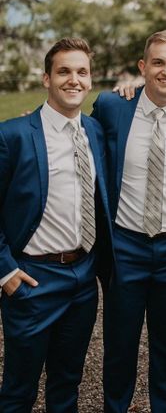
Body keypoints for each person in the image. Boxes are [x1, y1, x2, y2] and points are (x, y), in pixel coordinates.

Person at [92, 30, 166, 413]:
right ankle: (116, 405)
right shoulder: (113, 107)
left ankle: (165, 406)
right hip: (125, 245)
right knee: (120, 340)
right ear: (143, 67)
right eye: (158, 62)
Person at [0, 38, 114, 413]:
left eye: (82, 72)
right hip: (33, 278)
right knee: (19, 389)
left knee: (68, 383)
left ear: (90, 79)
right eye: (64, 71)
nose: (74, 80)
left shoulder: (95, 132)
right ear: (46, 78)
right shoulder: (13, 135)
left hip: (82, 279)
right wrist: (6, 271)